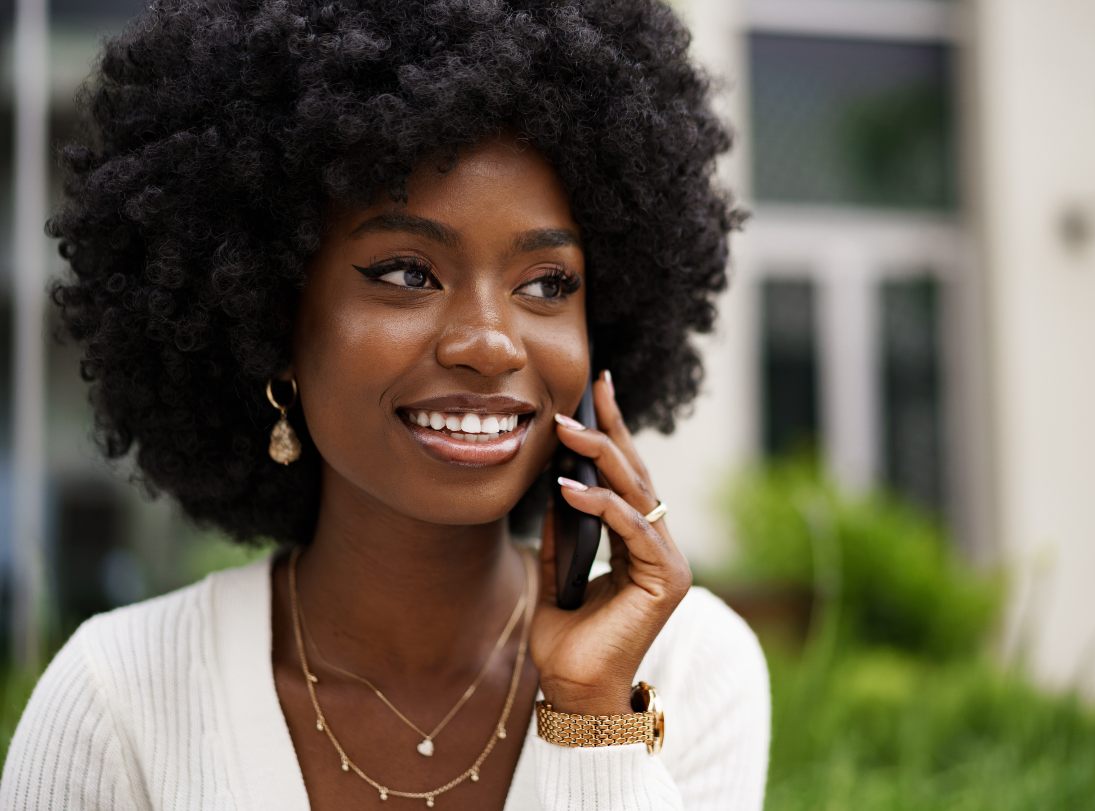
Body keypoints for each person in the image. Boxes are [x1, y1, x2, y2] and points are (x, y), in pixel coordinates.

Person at [0, 0, 770, 808]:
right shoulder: (118, 698)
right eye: (407, 272)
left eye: (546, 284)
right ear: (271, 315)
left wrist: (591, 715)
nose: (491, 343)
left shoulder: (688, 664)